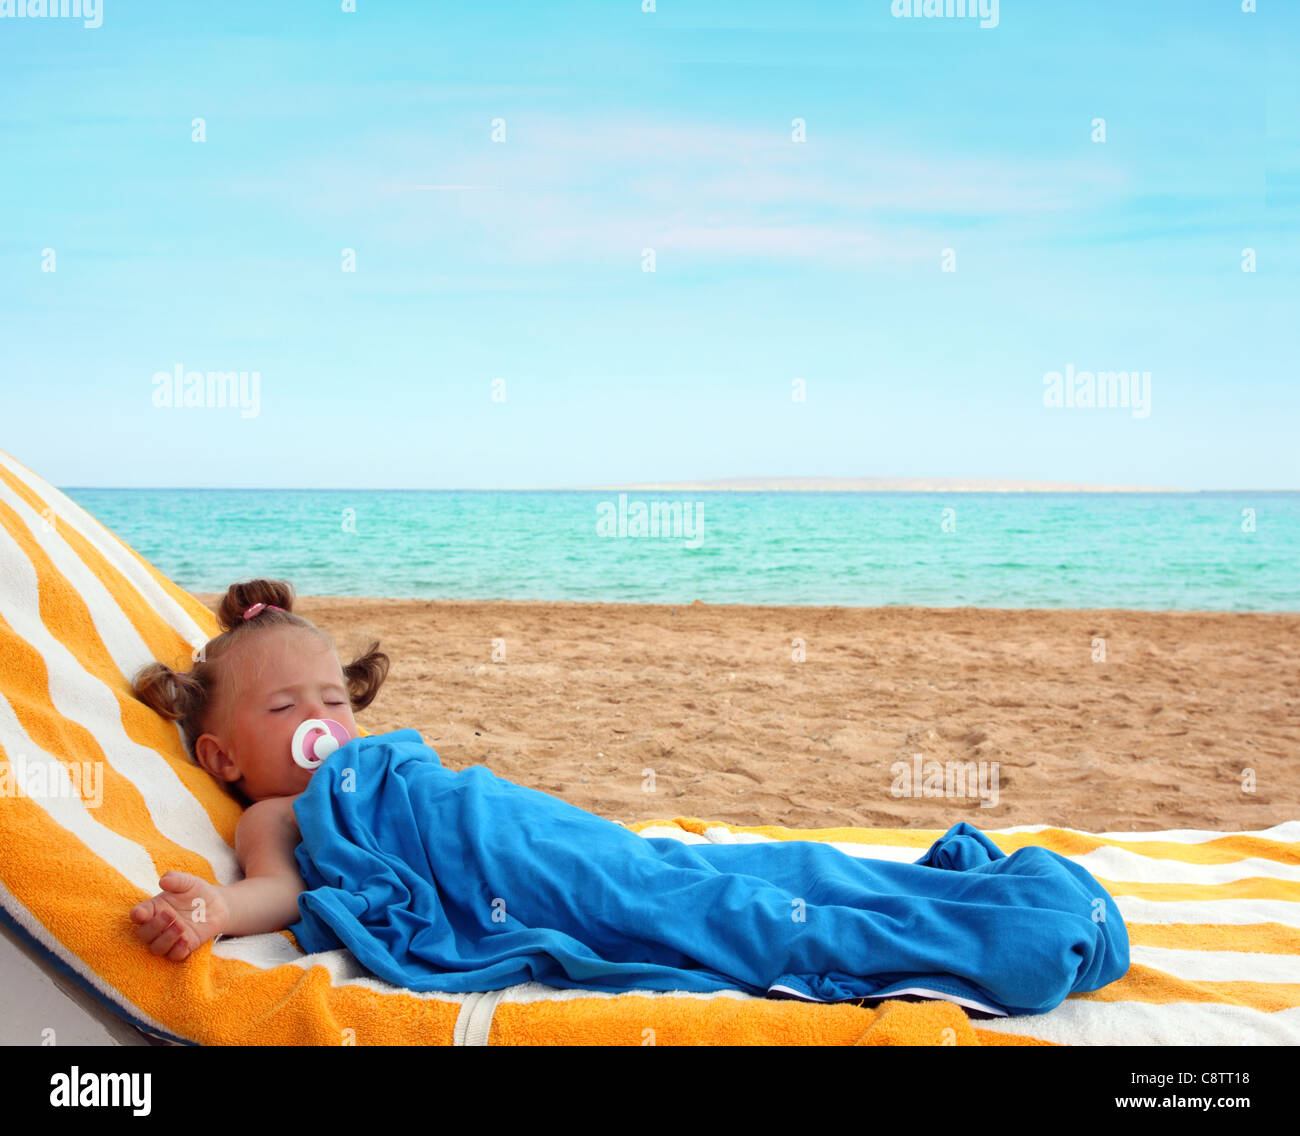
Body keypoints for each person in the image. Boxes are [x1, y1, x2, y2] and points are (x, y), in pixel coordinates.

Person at [128, 579, 387, 960]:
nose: (319, 716)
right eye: (283, 707)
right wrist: (219, 906)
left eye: (334, 699)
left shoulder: (374, 760)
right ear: (223, 758)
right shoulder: (275, 816)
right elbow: (281, 890)